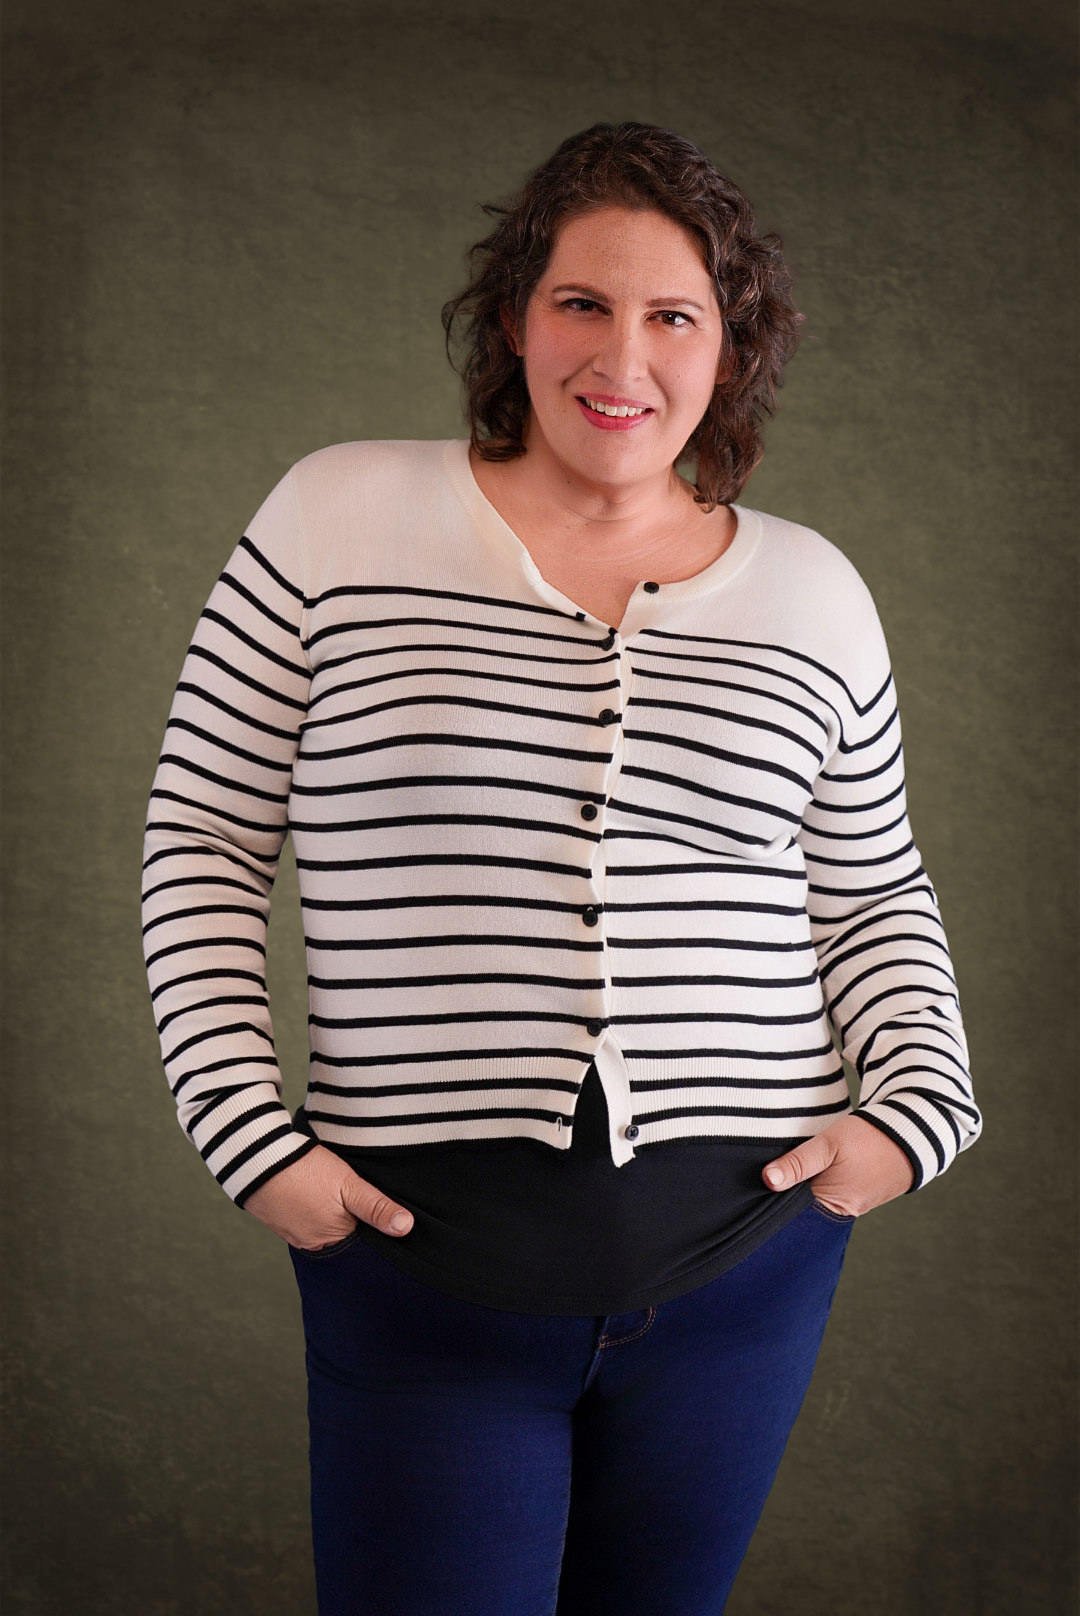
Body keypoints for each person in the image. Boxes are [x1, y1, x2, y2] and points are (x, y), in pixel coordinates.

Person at [140, 121, 982, 1615]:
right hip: (419, 1270)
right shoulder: (338, 520)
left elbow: (872, 891)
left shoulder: (813, 593)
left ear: (732, 349)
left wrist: (916, 1112)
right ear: (517, 317)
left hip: (746, 1271)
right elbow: (202, 836)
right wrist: (249, 1140)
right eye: (583, 302)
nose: (624, 355)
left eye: (676, 316)